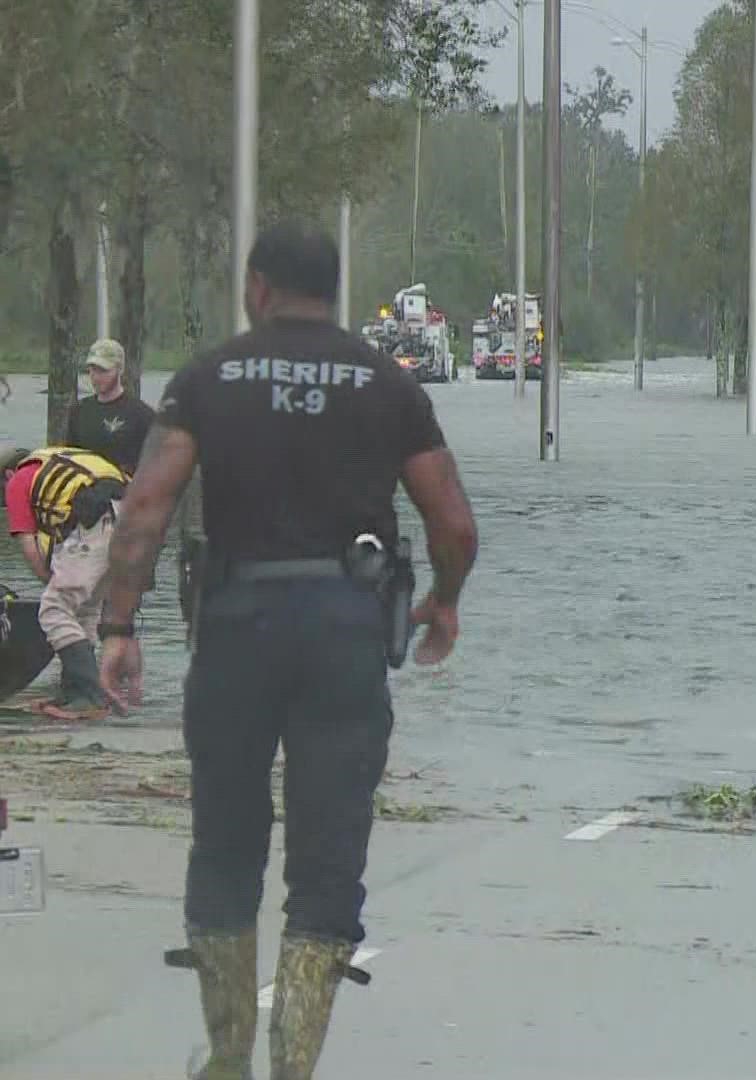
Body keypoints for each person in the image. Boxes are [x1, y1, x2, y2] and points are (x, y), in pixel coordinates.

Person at [94, 221, 478, 1080]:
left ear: (258, 287)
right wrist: (443, 602)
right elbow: (452, 521)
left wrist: (119, 628)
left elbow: (147, 507)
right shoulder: (387, 383)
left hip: (236, 629)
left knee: (226, 844)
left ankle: (227, 1055)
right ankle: (292, 1066)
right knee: (328, 857)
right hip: (346, 632)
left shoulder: (208, 378)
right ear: (333, 291)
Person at [0, 442, 130, 721]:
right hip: (132, 519)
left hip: (99, 521)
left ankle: (88, 697)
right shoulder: (55, 461)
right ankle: (75, 693)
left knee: (54, 609)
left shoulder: (17, 482)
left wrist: (52, 585)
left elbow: (30, 548)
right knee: (84, 610)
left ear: (7, 474)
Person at [66, 339, 156, 476]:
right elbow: (69, 460)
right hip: (85, 492)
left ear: (120, 369)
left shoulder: (142, 415)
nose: (96, 377)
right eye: (92, 370)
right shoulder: (78, 411)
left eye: (103, 370)